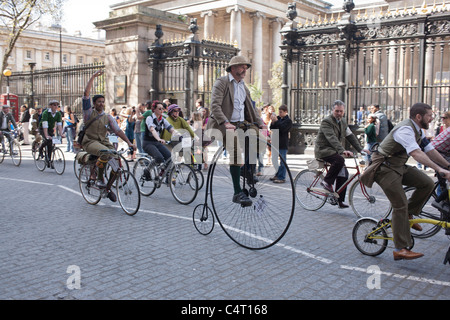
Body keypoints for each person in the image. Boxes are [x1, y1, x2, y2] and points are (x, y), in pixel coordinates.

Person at [363, 103, 450, 261]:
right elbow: (416, 153)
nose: (432, 118)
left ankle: (408, 215)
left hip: (398, 166)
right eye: (429, 115)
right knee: (400, 204)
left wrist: (447, 166)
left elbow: (430, 150)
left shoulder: (418, 130)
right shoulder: (405, 130)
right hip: (384, 168)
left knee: (427, 184)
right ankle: (399, 248)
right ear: (419, 117)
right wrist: (440, 169)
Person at [206, 55, 265, 207]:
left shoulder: (243, 86)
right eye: (241, 66)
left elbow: (251, 108)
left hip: (241, 123)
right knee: (236, 152)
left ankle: (247, 169)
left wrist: (260, 123)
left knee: (259, 139)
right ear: (233, 68)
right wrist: (225, 122)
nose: (245, 69)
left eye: (246, 67)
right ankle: (237, 192)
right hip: (224, 124)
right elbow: (215, 105)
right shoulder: (222, 82)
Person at [81, 70, 136, 202]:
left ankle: (107, 188)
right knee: (105, 153)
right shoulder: (88, 113)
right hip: (90, 141)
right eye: (99, 101)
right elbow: (86, 94)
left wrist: (129, 143)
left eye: (103, 102)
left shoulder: (108, 117)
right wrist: (93, 77)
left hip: (103, 141)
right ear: (94, 104)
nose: (101, 103)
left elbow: (118, 131)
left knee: (117, 161)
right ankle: (100, 179)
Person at [314, 100, 369, 208]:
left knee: (344, 174)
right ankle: (326, 182)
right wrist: (342, 150)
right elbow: (331, 138)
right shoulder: (327, 121)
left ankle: (339, 200)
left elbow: (350, 136)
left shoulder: (343, 122)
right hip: (323, 150)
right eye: (337, 111)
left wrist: (360, 149)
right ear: (332, 110)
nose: (339, 113)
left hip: (334, 150)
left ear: (344, 112)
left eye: (341, 111)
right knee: (339, 160)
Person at [142, 100, 178, 166]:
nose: (162, 110)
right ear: (154, 110)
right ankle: (147, 170)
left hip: (157, 143)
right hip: (148, 143)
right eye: (159, 109)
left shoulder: (163, 120)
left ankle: (163, 173)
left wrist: (179, 135)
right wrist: (159, 139)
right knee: (159, 158)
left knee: (169, 157)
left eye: (162, 109)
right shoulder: (149, 118)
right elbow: (152, 130)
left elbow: (171, 129)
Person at [269, 104, 292, 183]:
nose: (279, 114)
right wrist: (272, 122)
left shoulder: (288, 121)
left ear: (286, 112)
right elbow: (272, 128)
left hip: (282, 143)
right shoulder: (278, 118)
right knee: (274, 160)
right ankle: (277, 174)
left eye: (281, 112)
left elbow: (282, 129)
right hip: (275, 142)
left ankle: (282, 177)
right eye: (279, 112)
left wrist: (276, 121)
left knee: (282, 161)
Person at [38, 100, 65, 167]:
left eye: (57, 105)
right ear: (50, 106)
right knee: (47, 140)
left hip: (50, 128)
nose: (56, 106)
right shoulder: (46, 113)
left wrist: (61, 133)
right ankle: (40, 148)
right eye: (54, 105)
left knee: (51, 143)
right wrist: (46, 135)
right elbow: (45, 125)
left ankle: (49, 160)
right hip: (42, 128)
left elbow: (59, 124)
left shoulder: (58, 114)